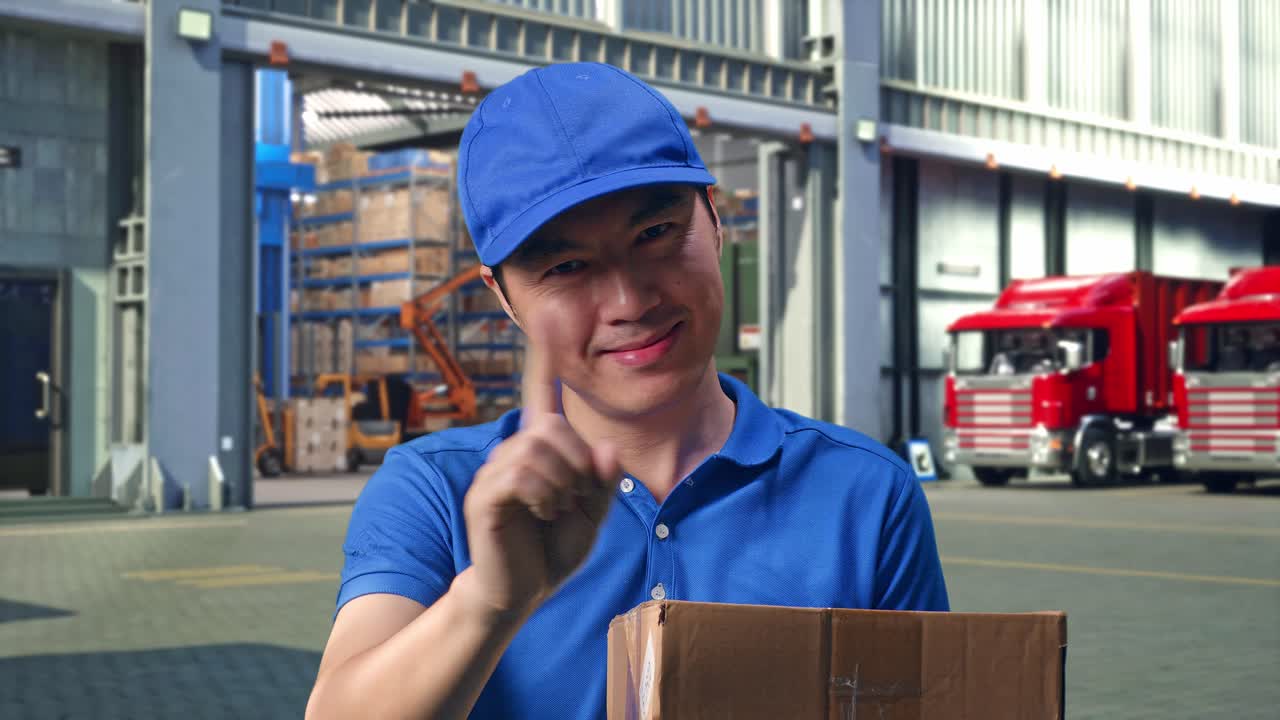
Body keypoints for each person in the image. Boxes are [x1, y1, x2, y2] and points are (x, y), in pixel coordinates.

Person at [305, 62, 949, 720]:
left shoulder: (866, 497)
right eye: (566, 267)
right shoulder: (436, 491)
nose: (629, 300)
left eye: (656, 234)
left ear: (715, 222)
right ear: (505, 299)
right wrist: (489, 603)